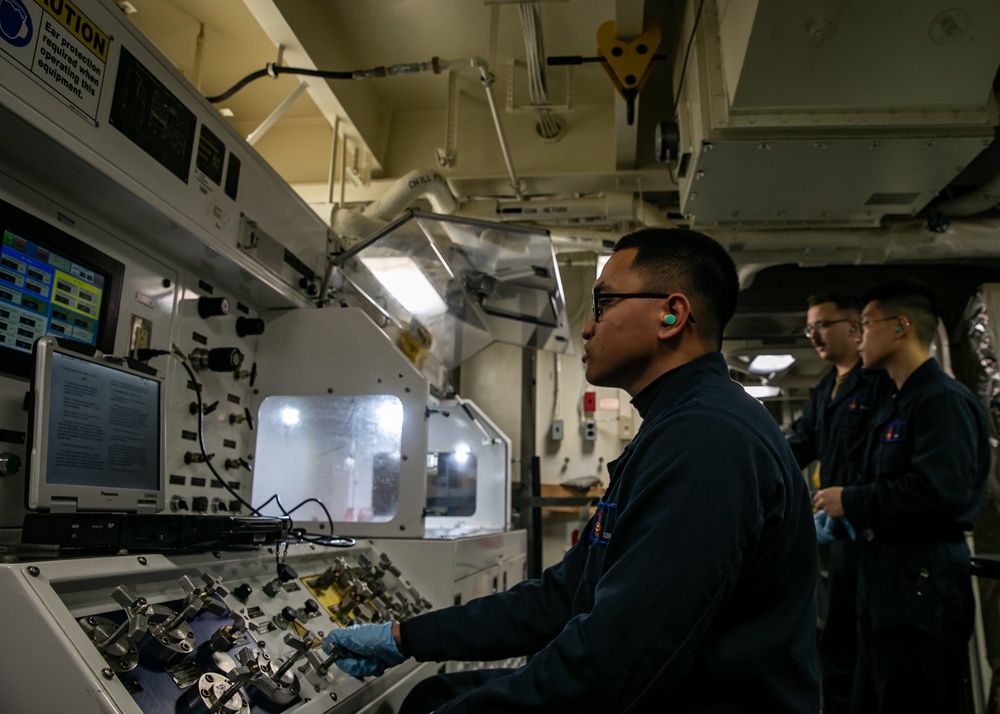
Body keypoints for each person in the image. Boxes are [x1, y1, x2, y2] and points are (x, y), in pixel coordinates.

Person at [324, 228, 820, 713]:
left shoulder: (707, 438)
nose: (587, 326)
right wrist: (406, 636)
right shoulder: (680, 424)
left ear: (672, 315)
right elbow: (563, 597)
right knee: (431, 695)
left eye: (603, 304)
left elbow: (616, 660)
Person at [813, 278, 989, 714]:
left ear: (901, 326)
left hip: (922, 579)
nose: (860, 335)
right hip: (885, 577)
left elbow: (940, 491)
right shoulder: (896, 403)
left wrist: (851, 501)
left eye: (867, 324)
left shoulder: (940, 402)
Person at [787, 293, 893, 714]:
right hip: (841, 532)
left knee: (871, 646)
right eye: (809, 328)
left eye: (821, 326)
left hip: (874, 529)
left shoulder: (880, 383)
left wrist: (855, 499)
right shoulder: (825, 389)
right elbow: (799, 444)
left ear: (854, 328)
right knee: (839, 641)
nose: (814, 336)